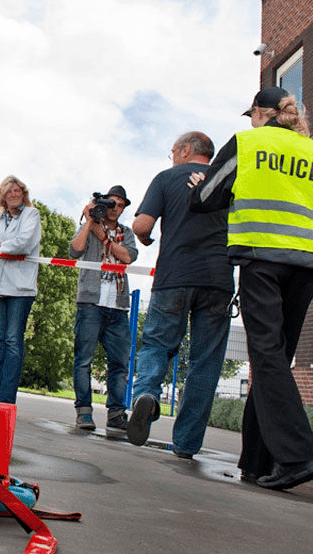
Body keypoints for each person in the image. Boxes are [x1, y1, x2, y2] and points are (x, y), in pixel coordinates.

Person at [189, 87, 313, 490]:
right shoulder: (309, 150)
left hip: (263, 261)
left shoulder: (248, 142)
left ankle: (297, 454)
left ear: (260, 113)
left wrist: (200, 183)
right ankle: (258, 461)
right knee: (275, 359)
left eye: (252, 115)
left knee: (267, 357)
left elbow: (205, 198)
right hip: (306, 265)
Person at [127, 132, 234, 456]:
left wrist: (146, 241)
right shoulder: (228, 179)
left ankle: (147, 393)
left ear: (186, 150)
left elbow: (142, 226)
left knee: (158, 344)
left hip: (175, 275)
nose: (171, 156)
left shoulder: (166, 178)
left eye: (173, 150)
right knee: (205, 361)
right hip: (217, 279)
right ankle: (187, 444)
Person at [68, 186, 139, 431]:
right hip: (90, 302)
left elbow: (128, 256)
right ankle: (84, 412)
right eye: (111, 203)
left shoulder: (126, 233)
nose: (115, 208)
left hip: (118, 305)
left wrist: (103, 236)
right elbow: (74, 250)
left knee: (119, 362)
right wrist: (88, 221)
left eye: (120, 205)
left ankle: (117, 413)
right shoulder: (91, 226)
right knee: (83, 360)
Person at [0, 176, 41, 404]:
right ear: (3, 196)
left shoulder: (31, 215)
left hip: (20, 288)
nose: (14, 194)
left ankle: (6, 397)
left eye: (18, 191)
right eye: (9, 191)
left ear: (23, 194)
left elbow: (24, 243)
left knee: (13, 341)